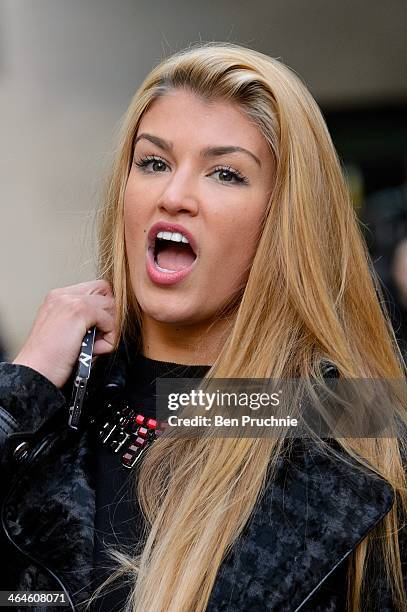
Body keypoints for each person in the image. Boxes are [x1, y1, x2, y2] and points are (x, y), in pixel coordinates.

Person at [0, 42, 406, 612]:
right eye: (154, 163)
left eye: (225, 173)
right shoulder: (46, 410)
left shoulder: (345, 418)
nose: (173, 196)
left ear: (282, 220)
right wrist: (24, 386)